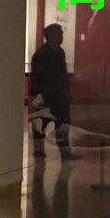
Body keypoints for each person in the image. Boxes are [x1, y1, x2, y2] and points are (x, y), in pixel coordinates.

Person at [30, 24, 80, 161]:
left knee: (63, 125)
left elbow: (63, 75)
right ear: (52, 36)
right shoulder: (41, 55)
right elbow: (38, 78)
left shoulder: (59, 52)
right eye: (60, 34)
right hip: (46, 96)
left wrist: (66, 92)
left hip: (59, 96)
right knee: (41, 125)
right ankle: (39, 152)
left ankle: (64, 153)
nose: (62, 37)